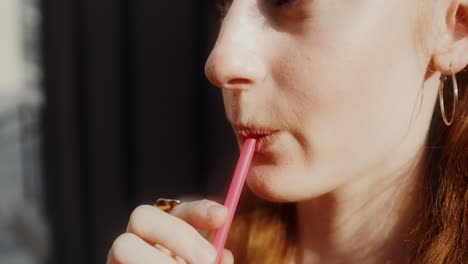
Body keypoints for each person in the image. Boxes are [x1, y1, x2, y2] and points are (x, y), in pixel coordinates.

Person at [107, 0, 467, 263]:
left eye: (287, 2)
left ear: (455, 26)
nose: (220, 62)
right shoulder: (190, 247)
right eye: (223, 5)